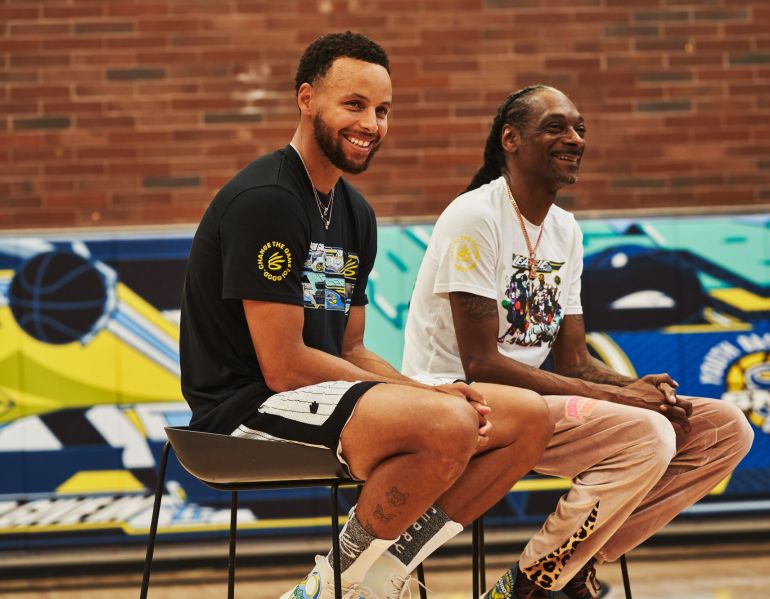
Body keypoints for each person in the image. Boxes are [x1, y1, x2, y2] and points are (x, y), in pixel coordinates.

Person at [179, 34, 551, 599]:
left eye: (382, 111)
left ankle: (378, 573)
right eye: (354, 105)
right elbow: (283, 366)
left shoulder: (354, 212)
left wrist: (429, 390)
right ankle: (331, 586)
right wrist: (428, 400)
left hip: (318, 396)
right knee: (447, 420)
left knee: (526, 416)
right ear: (306, 99)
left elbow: (351, 349)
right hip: (242, 408)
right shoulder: (268, 200)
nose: (371, 124)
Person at [402, 85, 755, 598]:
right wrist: (621, 400)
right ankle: (533, 585)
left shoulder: (566, 230)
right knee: (647, 435)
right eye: (555, 127)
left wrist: (634, 387)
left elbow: (574, 362)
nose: (574, 139)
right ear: (511, 139)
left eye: (580, 129)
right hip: (458, 399)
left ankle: (570, 567)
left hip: (532, 404)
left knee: (723, 429)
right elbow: (482, 364)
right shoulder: (474, 217)